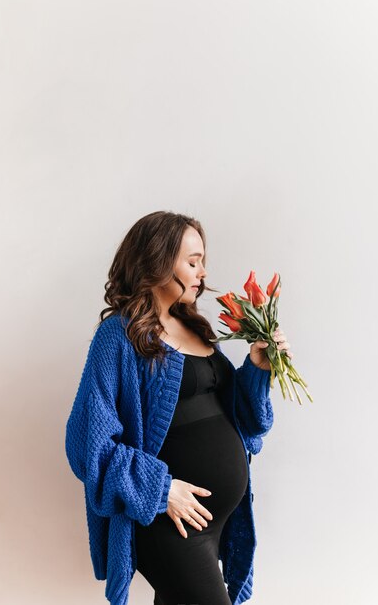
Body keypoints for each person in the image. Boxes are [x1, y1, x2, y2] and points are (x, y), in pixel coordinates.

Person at [65, 210, 292, 605]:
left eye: (202, 261)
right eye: (192, 261)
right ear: (156, 261)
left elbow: (241, 420)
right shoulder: (117, 337)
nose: (203, 272)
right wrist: (161, 489)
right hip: (166, 519)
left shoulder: (196, 326)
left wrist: (257, 368)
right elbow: (88, 443)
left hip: (212, 522)